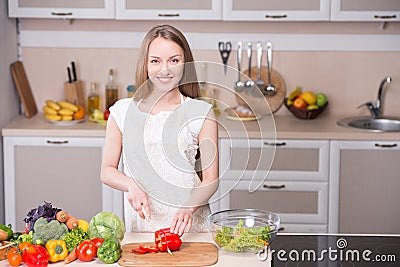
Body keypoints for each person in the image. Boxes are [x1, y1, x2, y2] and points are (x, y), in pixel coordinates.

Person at [100, 25, 219, 236]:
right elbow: (107, 170)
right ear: (145, 64)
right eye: (155, 61)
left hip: (189, 227)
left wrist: (189, 208)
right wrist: (131, 184)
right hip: (142, 227)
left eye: (174, 60)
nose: (165, 70)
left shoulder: (201, 112)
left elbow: (211, 179)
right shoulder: (121, 112)